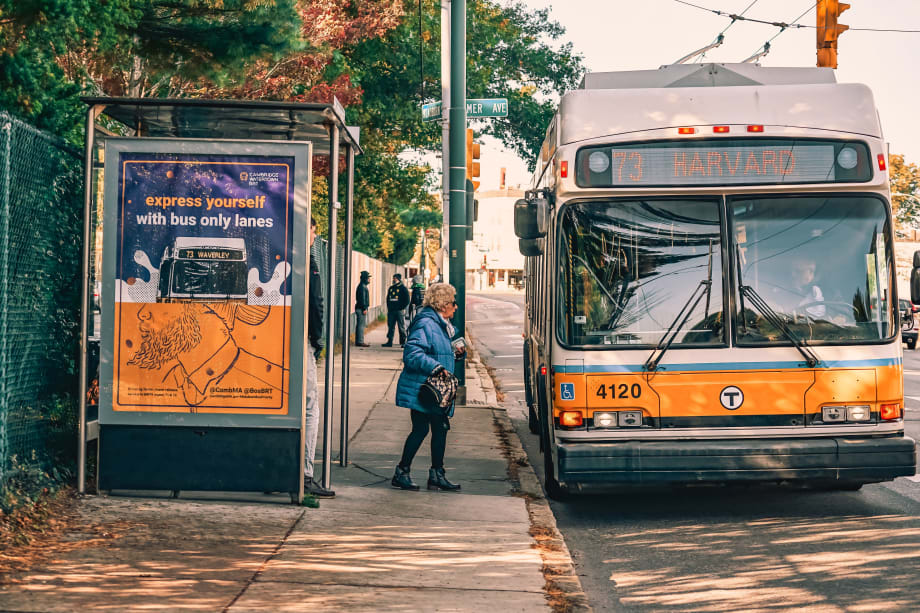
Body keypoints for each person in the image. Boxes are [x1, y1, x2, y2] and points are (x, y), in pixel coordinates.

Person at [391, 283, 464, 492]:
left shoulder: (442, 325)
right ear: (442, 305)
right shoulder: (426, 323)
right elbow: (412, 354)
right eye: (452, 303)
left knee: (435, 429)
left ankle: (430, 473)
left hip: (434, 389)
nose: (455, 307)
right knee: (426, 428)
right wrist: (436, 366)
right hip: (425, 388)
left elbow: (439, 350)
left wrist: (456, 353)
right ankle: (410, 472)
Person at [304, 217, 334, 498]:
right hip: (302, 342)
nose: (315, 235)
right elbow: (317, 305)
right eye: (314, 230)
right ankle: (305, 473)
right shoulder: (309, 263)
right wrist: (318, 341)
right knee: (311, 406)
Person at [382, 273, 410, 347]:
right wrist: (389, 307)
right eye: (393, 278)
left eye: (395, 278)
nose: (394, 280)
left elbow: (407, 300)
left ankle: (403, 342)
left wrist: (401, 307)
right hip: (391, 311)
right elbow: (388, 298)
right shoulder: (391, 288)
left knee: (401, 327)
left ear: (398, 279)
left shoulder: (403, 288)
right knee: (390, 326)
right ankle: (389, 341)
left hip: (399, 311)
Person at [354, 270, 371, 347]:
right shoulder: (362, 287)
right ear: (365, 279)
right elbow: (362, 299)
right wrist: (364, 308)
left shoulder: (362, 286)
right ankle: (360, 341)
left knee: (360, 325)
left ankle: (359, 341)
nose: (369, 280)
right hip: (361, 309)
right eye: (368, 278)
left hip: (359, 308)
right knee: (361, 325)